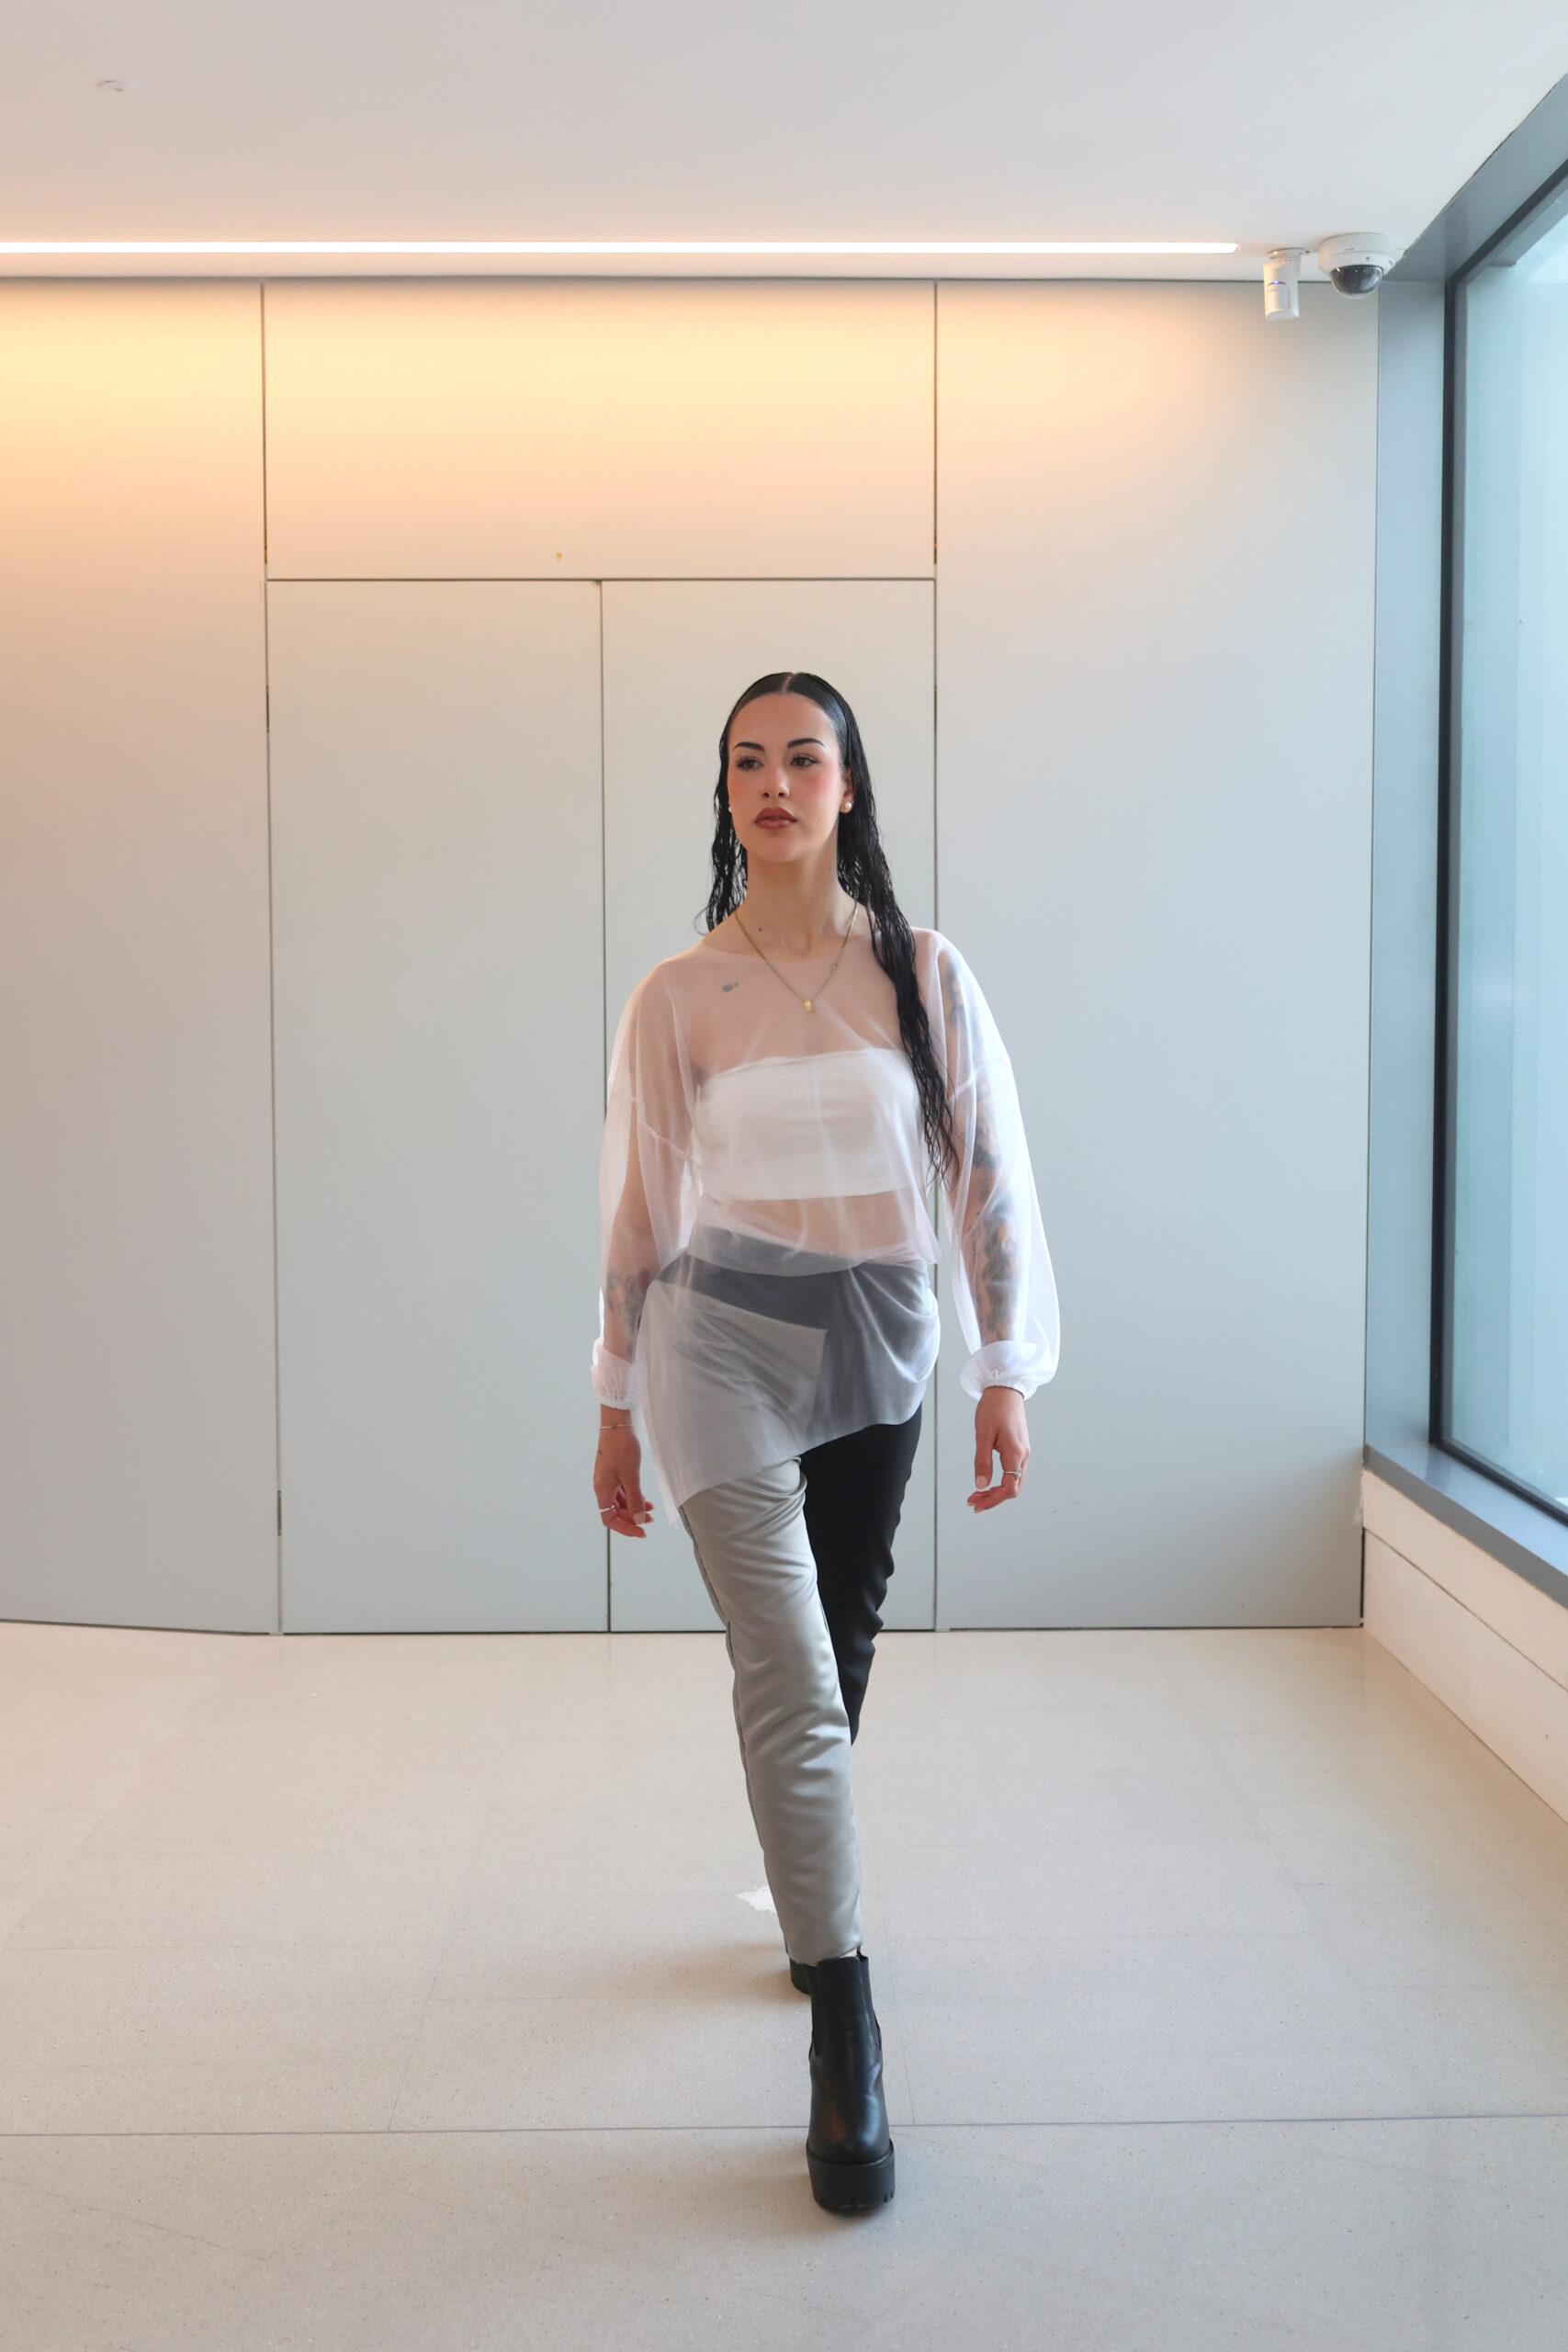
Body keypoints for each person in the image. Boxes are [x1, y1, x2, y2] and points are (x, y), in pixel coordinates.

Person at [591, 672, 1058, 2212]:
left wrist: (1004, 1370)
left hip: (881, 1341)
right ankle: (845, 2022)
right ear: (726, 795)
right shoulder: (679, 995)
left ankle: (807, 1894)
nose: (776, 783)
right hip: (717, 1338)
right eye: (749, 762)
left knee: (843, 1635)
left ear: (848, 787)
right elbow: (642, 1213)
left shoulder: (921, 971)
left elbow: (985, 1179)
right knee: (787, 1660)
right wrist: (614, 1400)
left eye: (805, 758)